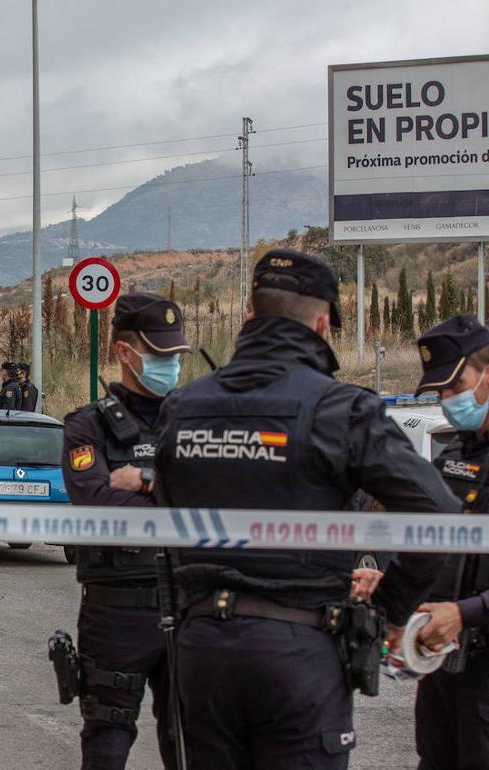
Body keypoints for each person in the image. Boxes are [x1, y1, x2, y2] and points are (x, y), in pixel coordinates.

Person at [153, 249, 458, 770]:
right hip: (298, 649)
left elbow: (165, 510)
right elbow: (439, 514)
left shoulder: (182, 407)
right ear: (323, 324)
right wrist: (389, 608)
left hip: (200, 651)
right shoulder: (340, 408)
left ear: (250, 316)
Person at [61, 292, 189, 770]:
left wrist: (149, 480)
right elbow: (96, 503)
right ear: (124, 351)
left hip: (189, 602)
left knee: (191, 738)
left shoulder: (199, 422)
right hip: (117, 610)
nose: (170, 364)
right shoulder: (86, 426)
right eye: (159, 355)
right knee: (108, 737)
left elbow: (224, 498)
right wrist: (180, 494)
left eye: (175, 355)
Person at [409, 314, 489, 769]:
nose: (446, 401)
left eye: (454, 388)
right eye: (440, 392)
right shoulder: (458, 453)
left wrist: (465, 613)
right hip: (445, 664)